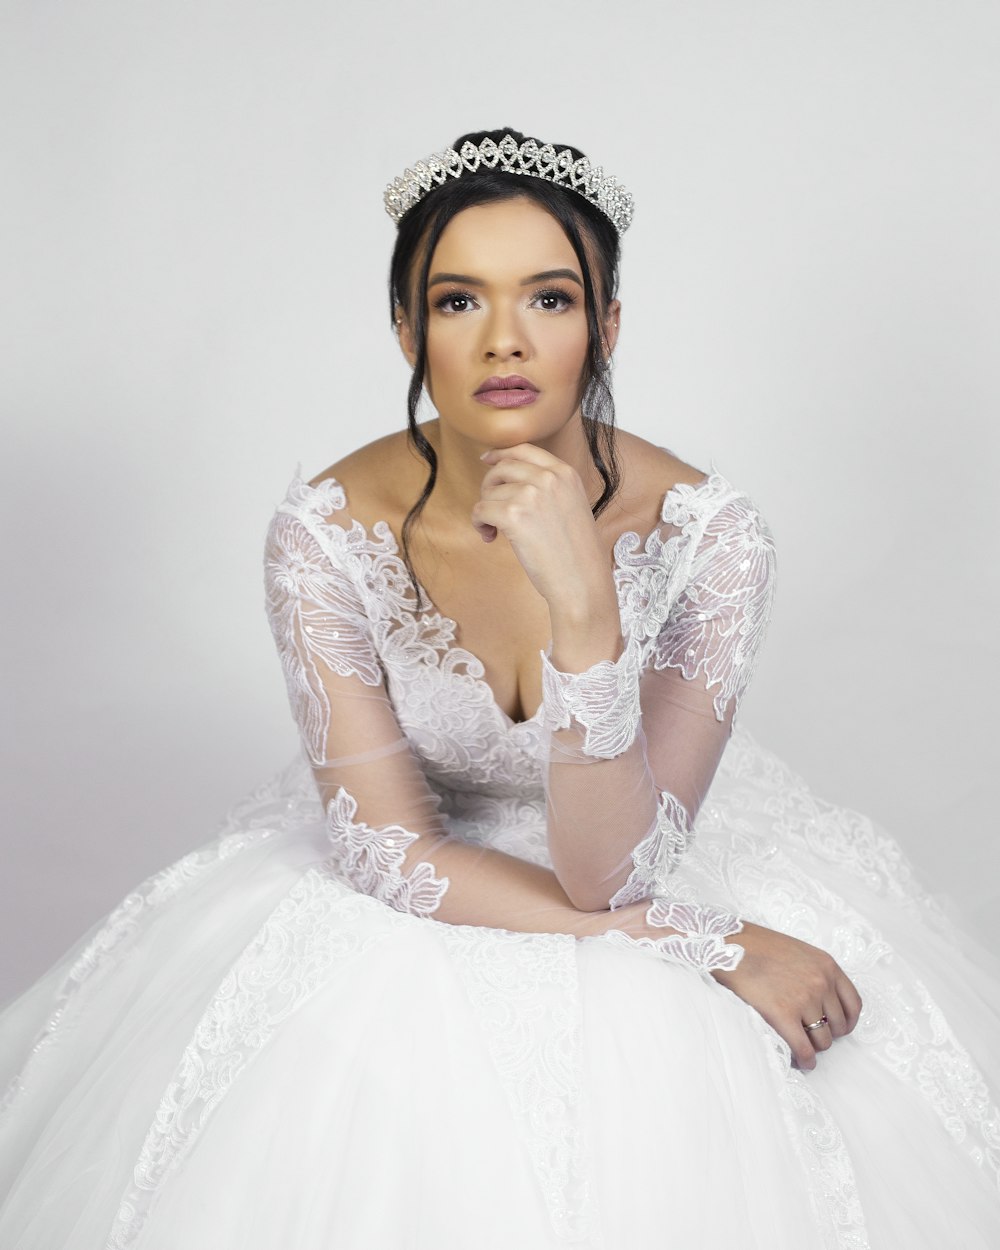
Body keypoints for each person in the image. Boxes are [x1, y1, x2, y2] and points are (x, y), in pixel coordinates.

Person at [0, 127, 998, 1248]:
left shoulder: (714, 538)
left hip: (633, 834)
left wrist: (586, 613)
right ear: (405, 328)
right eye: (460, 301)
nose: (505, 341)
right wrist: (709, 941)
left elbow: (607, 868)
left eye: (553, 299)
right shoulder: (323, 534)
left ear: (607, 324)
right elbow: (389, 851)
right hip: (418, 876)